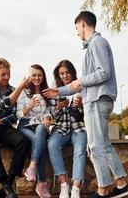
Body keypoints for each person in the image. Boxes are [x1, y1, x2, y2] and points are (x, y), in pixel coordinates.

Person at [43, 11, 128, 198]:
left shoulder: (97, 43)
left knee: (94, 147)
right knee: (103, 145)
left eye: (76, 28)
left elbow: (103, 73)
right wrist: (58, 91)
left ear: (83, 23)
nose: (77, 32)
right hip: (96, 100)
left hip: (98, 101)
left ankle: (103, 190)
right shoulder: (92, 46)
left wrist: (81, 80)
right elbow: (80, 86)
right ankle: (121, 184)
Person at [0, 57, 31, 198]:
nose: (7, 77)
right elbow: (4, 104)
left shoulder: (14, 90)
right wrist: (20, 89)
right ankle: (4, 183)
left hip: (5, 127)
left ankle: (10, 179)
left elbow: (15, 116)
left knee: (23, 141)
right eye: (3, 74)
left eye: (8, 73)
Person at [47, 60, 87, 198]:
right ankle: (64, 185)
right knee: (52, 145)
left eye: (67, 72)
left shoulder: (80, 87)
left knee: (80, 149)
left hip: (78, 128)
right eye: (61, 73)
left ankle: (76, 188)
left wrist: (82, 105)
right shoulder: (54, 91)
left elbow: (88, 113)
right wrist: (58, 108)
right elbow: (51, 114)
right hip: (61, 127)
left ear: (72, 72)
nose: (65, 76)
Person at [16, 64, 52, 198]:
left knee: (41, 130)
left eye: (40, 75)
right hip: (25, 125)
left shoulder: (46, 92)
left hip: (40, 125)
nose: (37, 78)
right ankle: (42, 183)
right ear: (29, 77)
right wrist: (29, 106)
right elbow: (18, 115)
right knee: (41, 143)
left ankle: (31, 167)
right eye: (34, 75)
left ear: (43, 77)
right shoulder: (23, 92)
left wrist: (48, 118)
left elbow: (50, 112)